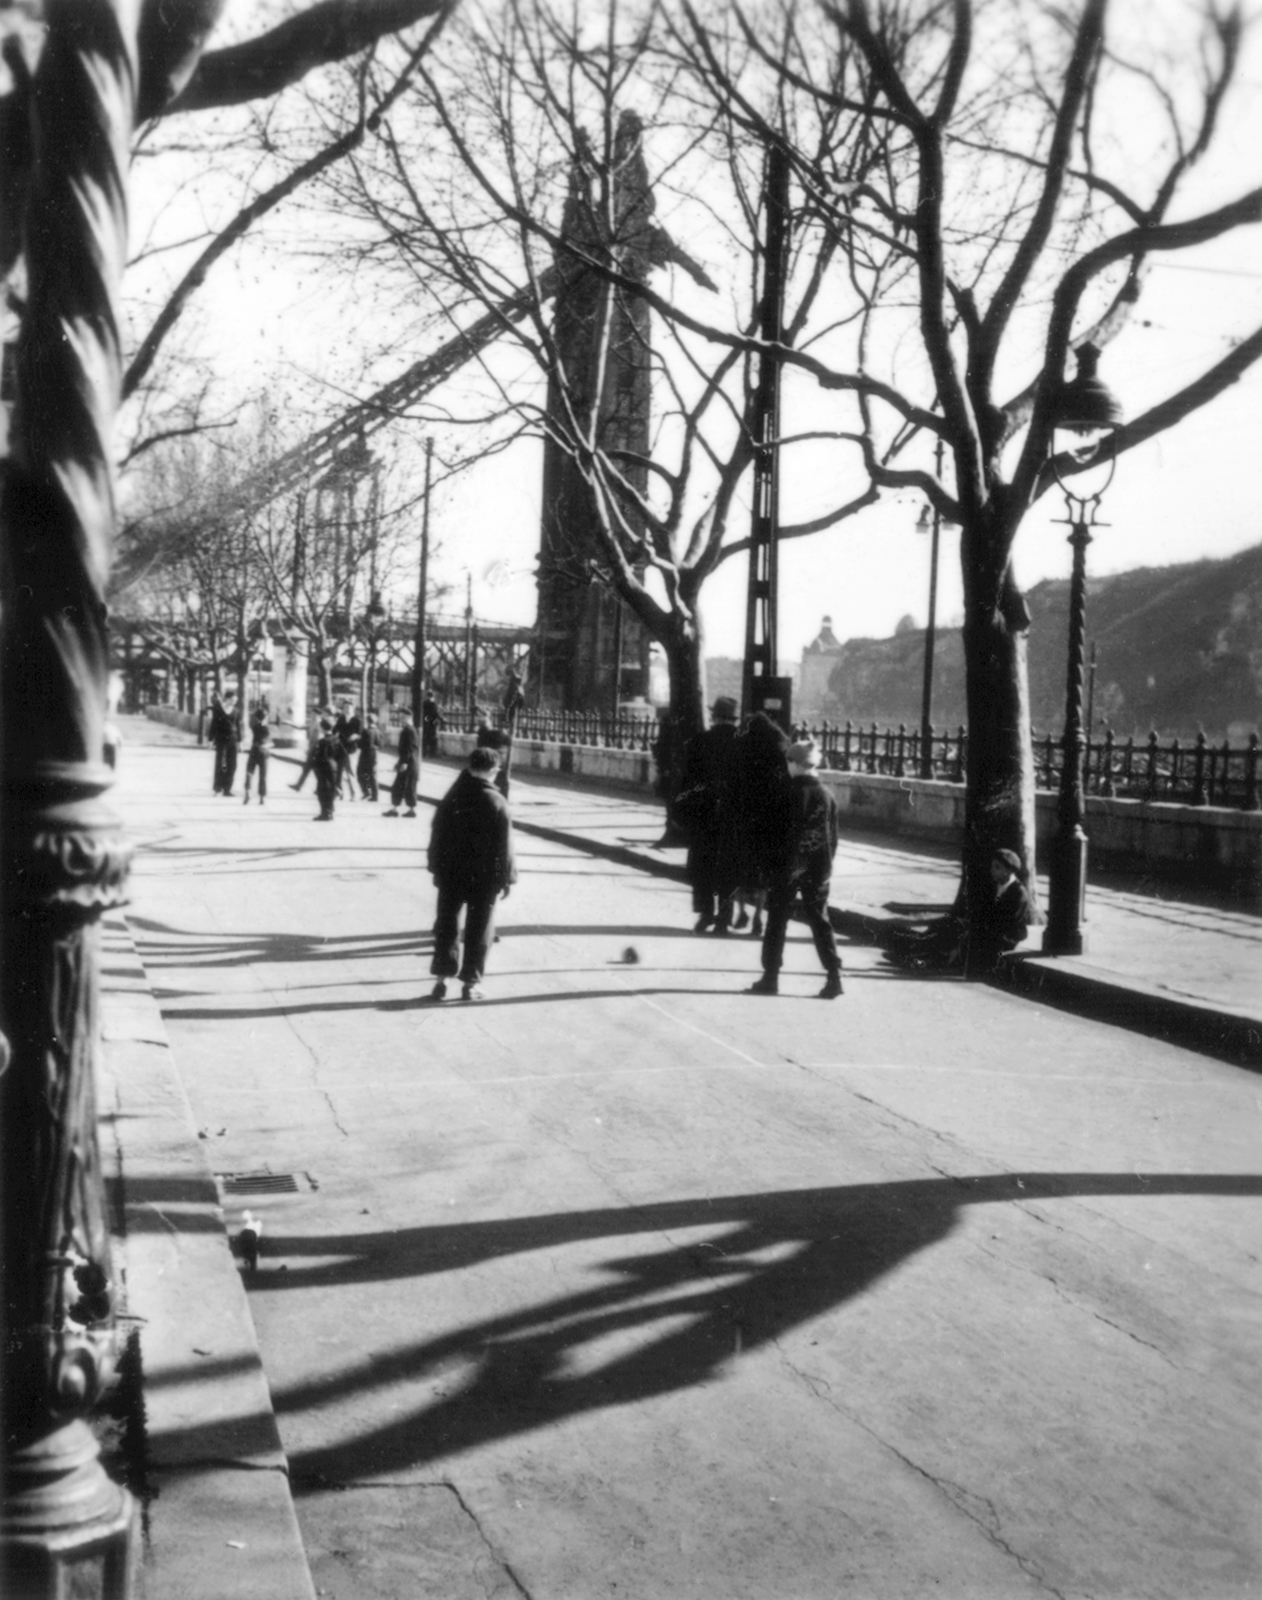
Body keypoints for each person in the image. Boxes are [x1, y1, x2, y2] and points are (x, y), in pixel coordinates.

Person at [747, 739, 844, 999]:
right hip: (818, 867)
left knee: (777, 922)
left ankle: (771, 977)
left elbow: (770, 834)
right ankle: (834, 977)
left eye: (788, 762)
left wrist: (765, 866)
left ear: (795, 763)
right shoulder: (827, 795)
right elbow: (832, 837)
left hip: (786, 868)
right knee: (820, 921)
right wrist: (825, 864)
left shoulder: (784, 792)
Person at [426, 745, 516, 1002]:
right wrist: (506, 878)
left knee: (447, 925)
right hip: (484, 878)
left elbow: (437, 833)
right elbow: (504, 847)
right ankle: (470, 984)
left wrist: (436, 866)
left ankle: (441, 980)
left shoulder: (452, 795)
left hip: (451, 872)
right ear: (493, 771)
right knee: (479, 930)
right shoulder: (497, 801)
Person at [886, 848, 1033, 976]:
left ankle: (929, 962)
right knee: (947, 923)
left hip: (1004, 938)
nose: (992, 870)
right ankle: (913, 952)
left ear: (1009, 871)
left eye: (997, 867)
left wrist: (972, 931)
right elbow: (983, 913)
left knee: (966, 941)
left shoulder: (1018, 894)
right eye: (993, 866)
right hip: (988, 929)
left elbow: (1004, 927)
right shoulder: (996, 885)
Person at [676, 695, 740, 933]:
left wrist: (683, 813)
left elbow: (685, 781)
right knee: (728, 867)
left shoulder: (699, 741)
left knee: (703, 866)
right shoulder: (743, 744)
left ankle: (705, 914)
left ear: (714, 717)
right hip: (733, 816)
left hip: (703, 815)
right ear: (734, 718)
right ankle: (724, 917)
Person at [725, 711, 792, 937]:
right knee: (763, 875)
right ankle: (758, 917)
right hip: (769, 820)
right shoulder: (780, 748)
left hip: (744, 816)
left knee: (741, 869)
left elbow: (732, 781)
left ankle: (742, 911)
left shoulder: (742, 747)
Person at [384, 713, 419, 816]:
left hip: (408, 763)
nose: (401, 720)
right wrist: (399, 762)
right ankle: (406, 810)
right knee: (405, 786)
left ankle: (399, 810)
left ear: (409, 718)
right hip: (409, 762)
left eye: (403, 717)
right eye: (401, 717)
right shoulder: (409, 730)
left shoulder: (409, 730)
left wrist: (404, 762)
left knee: (401, 786)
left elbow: (409, 748)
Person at [211, 692, 241, 797]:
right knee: (220, 764)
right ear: (227, 699)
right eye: (232, 700)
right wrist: (210, 739)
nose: (234, 702)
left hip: (232, 739)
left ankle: (227, 789)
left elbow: (238, 727)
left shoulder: (236, 711)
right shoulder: (218, 709)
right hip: (221, 739)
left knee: (232, 765)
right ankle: (217, 788)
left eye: (235, 700)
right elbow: (214, 724)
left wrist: (239, 742)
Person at [242, 701, 271, 804]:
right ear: (265, 717)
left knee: (249, 772)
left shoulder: (254, 727)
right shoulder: (266, 729)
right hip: (263, 753)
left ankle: (247, 793)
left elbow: (251, 719)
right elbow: (268, 742)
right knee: (262, 775)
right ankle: (261, 797)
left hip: (254, 750)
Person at [312, 717, 340, 821]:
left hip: (324, 768)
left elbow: (320, 757)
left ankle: (325, 813)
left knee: (322, 791)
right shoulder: (337, 739)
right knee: (331, 790)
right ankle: (330, 811)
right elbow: (342, 754)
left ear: (323, 728)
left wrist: (316, 767)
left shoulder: (322, 741)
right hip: (334, 767)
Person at [357, 711, 381, 802]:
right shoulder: (378, 731)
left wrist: (358, 739)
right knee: (373, 775)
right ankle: (375, 795)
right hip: (374, 755)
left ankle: (366, 791)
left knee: (360, 774)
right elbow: (380, 744)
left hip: (365, 755)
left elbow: (360, 745)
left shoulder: (366, 731)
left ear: (368, 721)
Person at [421, 693, 444, 758]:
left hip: (425, 723)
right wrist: (442, 719)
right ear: (433, 697)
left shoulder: (424, 703)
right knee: (433, 739)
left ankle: (424, 753)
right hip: (432, 724)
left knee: (424, 739)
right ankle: (432, 753)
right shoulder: (433, 704)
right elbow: (436, 713)